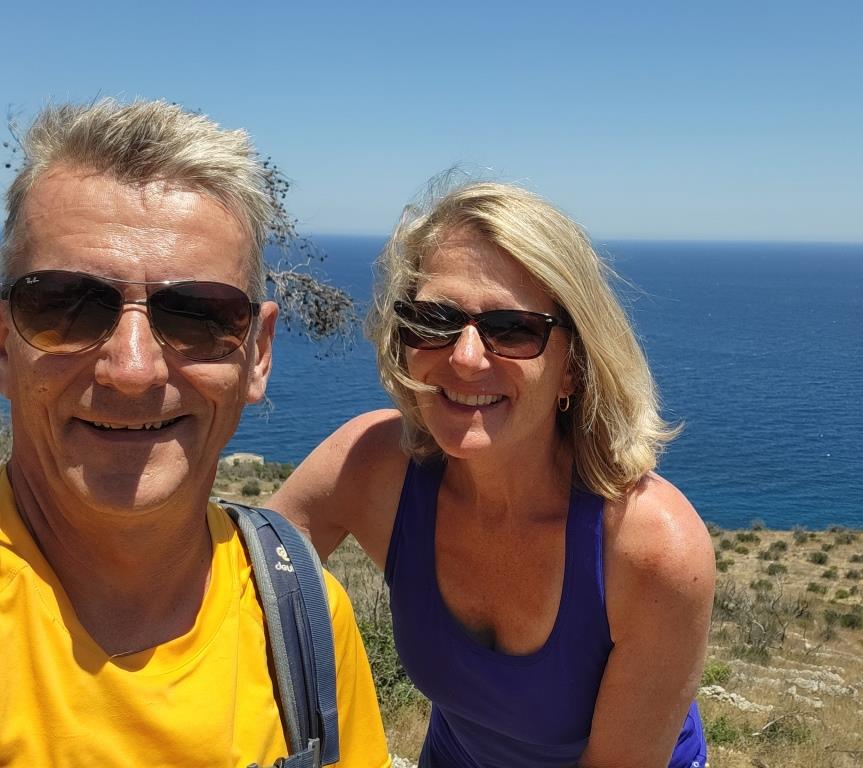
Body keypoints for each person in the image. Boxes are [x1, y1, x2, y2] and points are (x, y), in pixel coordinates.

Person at [0, 99, 391, 767]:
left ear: (258, 354)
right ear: (4, 345)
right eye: (66, 306)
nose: (133, 369)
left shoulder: (301, 618)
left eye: (197, 316)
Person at [270, 181, 715, 767]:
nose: (465, 356)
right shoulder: (372, 467)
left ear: (573, 368)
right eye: (435, 319)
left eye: (513, 329)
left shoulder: (650, 548)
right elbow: (235, 585)